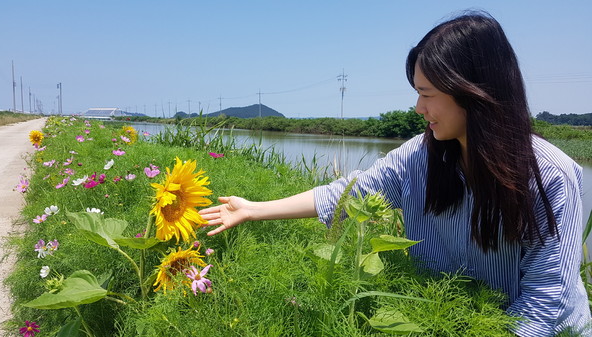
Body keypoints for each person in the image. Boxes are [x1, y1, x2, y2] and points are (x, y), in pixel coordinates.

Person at [199, 11, 591, 336]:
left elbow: (544, 304)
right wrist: (252, 209)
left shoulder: (550, 177)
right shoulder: (421, 156)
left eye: (428, 94)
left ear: (474, 93)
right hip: (452, 321)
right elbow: (348, 192)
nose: (418, 107)